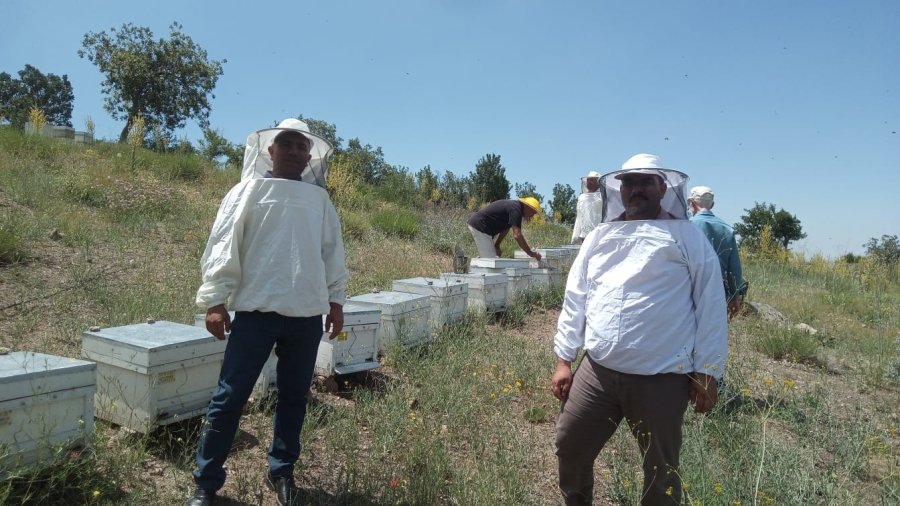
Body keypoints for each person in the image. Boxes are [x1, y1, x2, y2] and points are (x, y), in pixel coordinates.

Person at [186, 118, 349, 506]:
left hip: (306, 315)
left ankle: (282, 471)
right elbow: (223, 245)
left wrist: (337, 301)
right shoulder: (247, 190)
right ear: (270, 150)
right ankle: (206, 482)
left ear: (309, 156)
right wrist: (215, 301)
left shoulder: (320, 201)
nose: (294, 151)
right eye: (286, 144)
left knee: (294, 397)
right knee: (229, 396)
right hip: (255, 314)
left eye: (301, 146)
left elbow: (332, 253)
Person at [551, 153, 728, 505]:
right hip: (599, 370)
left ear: (663, 188)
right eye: (629, 182)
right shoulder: (600, 236)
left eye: (646, 181)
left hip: (662, 376)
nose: (636, 189)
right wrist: (564, 359)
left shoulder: (688, 236)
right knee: (570, 444)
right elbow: (576, 296)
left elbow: (711, 305)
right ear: (619, 189)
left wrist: (708, 371)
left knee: (661, 471)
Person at [689, 185, 745, 318]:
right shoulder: (727, 229)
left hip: (689, 290)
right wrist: (735, 296)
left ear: (691, 203)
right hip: (718, 291)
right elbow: (734, 269)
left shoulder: (686, 226)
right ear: (712, 205)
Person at [467, 197, 543, 261]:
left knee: (490, 259)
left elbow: (505, 229)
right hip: (480, 225)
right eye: (533, 213)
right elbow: (517, 235)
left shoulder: (515, 207)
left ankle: (476, 266)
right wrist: (530, 253)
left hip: (481, 226)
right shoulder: (516, 209)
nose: (532, 216)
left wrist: (497, 245)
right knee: (490, 261)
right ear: (528, 207)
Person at [570, 170, 603, 244]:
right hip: (584, 234)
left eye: (592, 180)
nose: (589, 182)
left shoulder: (603, 196)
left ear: (598, 182)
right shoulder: (582, 197)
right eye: (588, 180)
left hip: (599, 233)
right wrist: (576, 234)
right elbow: (579, 216)